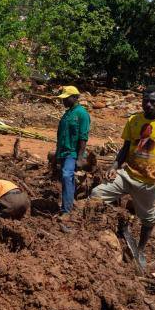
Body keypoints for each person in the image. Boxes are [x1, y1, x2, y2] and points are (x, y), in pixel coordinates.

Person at [90, 86, 155, 267]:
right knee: (97, 194)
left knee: (148, 219)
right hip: (127, 175)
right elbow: (126, 148)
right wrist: (114, 166)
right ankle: (108, 228)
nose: (148, 104)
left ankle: (141, 249)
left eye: (153, 101)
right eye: (145, 100)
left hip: (149, 182)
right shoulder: (134, 120)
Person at [53, 85, 90, 216]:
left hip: (72, 153)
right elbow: (60, 136)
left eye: (66, 98)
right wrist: (57, 155)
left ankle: (66, 211)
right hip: (63, 153)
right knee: (66, 179)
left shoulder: (82, 114)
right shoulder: (67, 114)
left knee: (67, 176)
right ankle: (68, 204)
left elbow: (83, 137)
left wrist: (80, 158)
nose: (63, 101)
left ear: (74, 97)